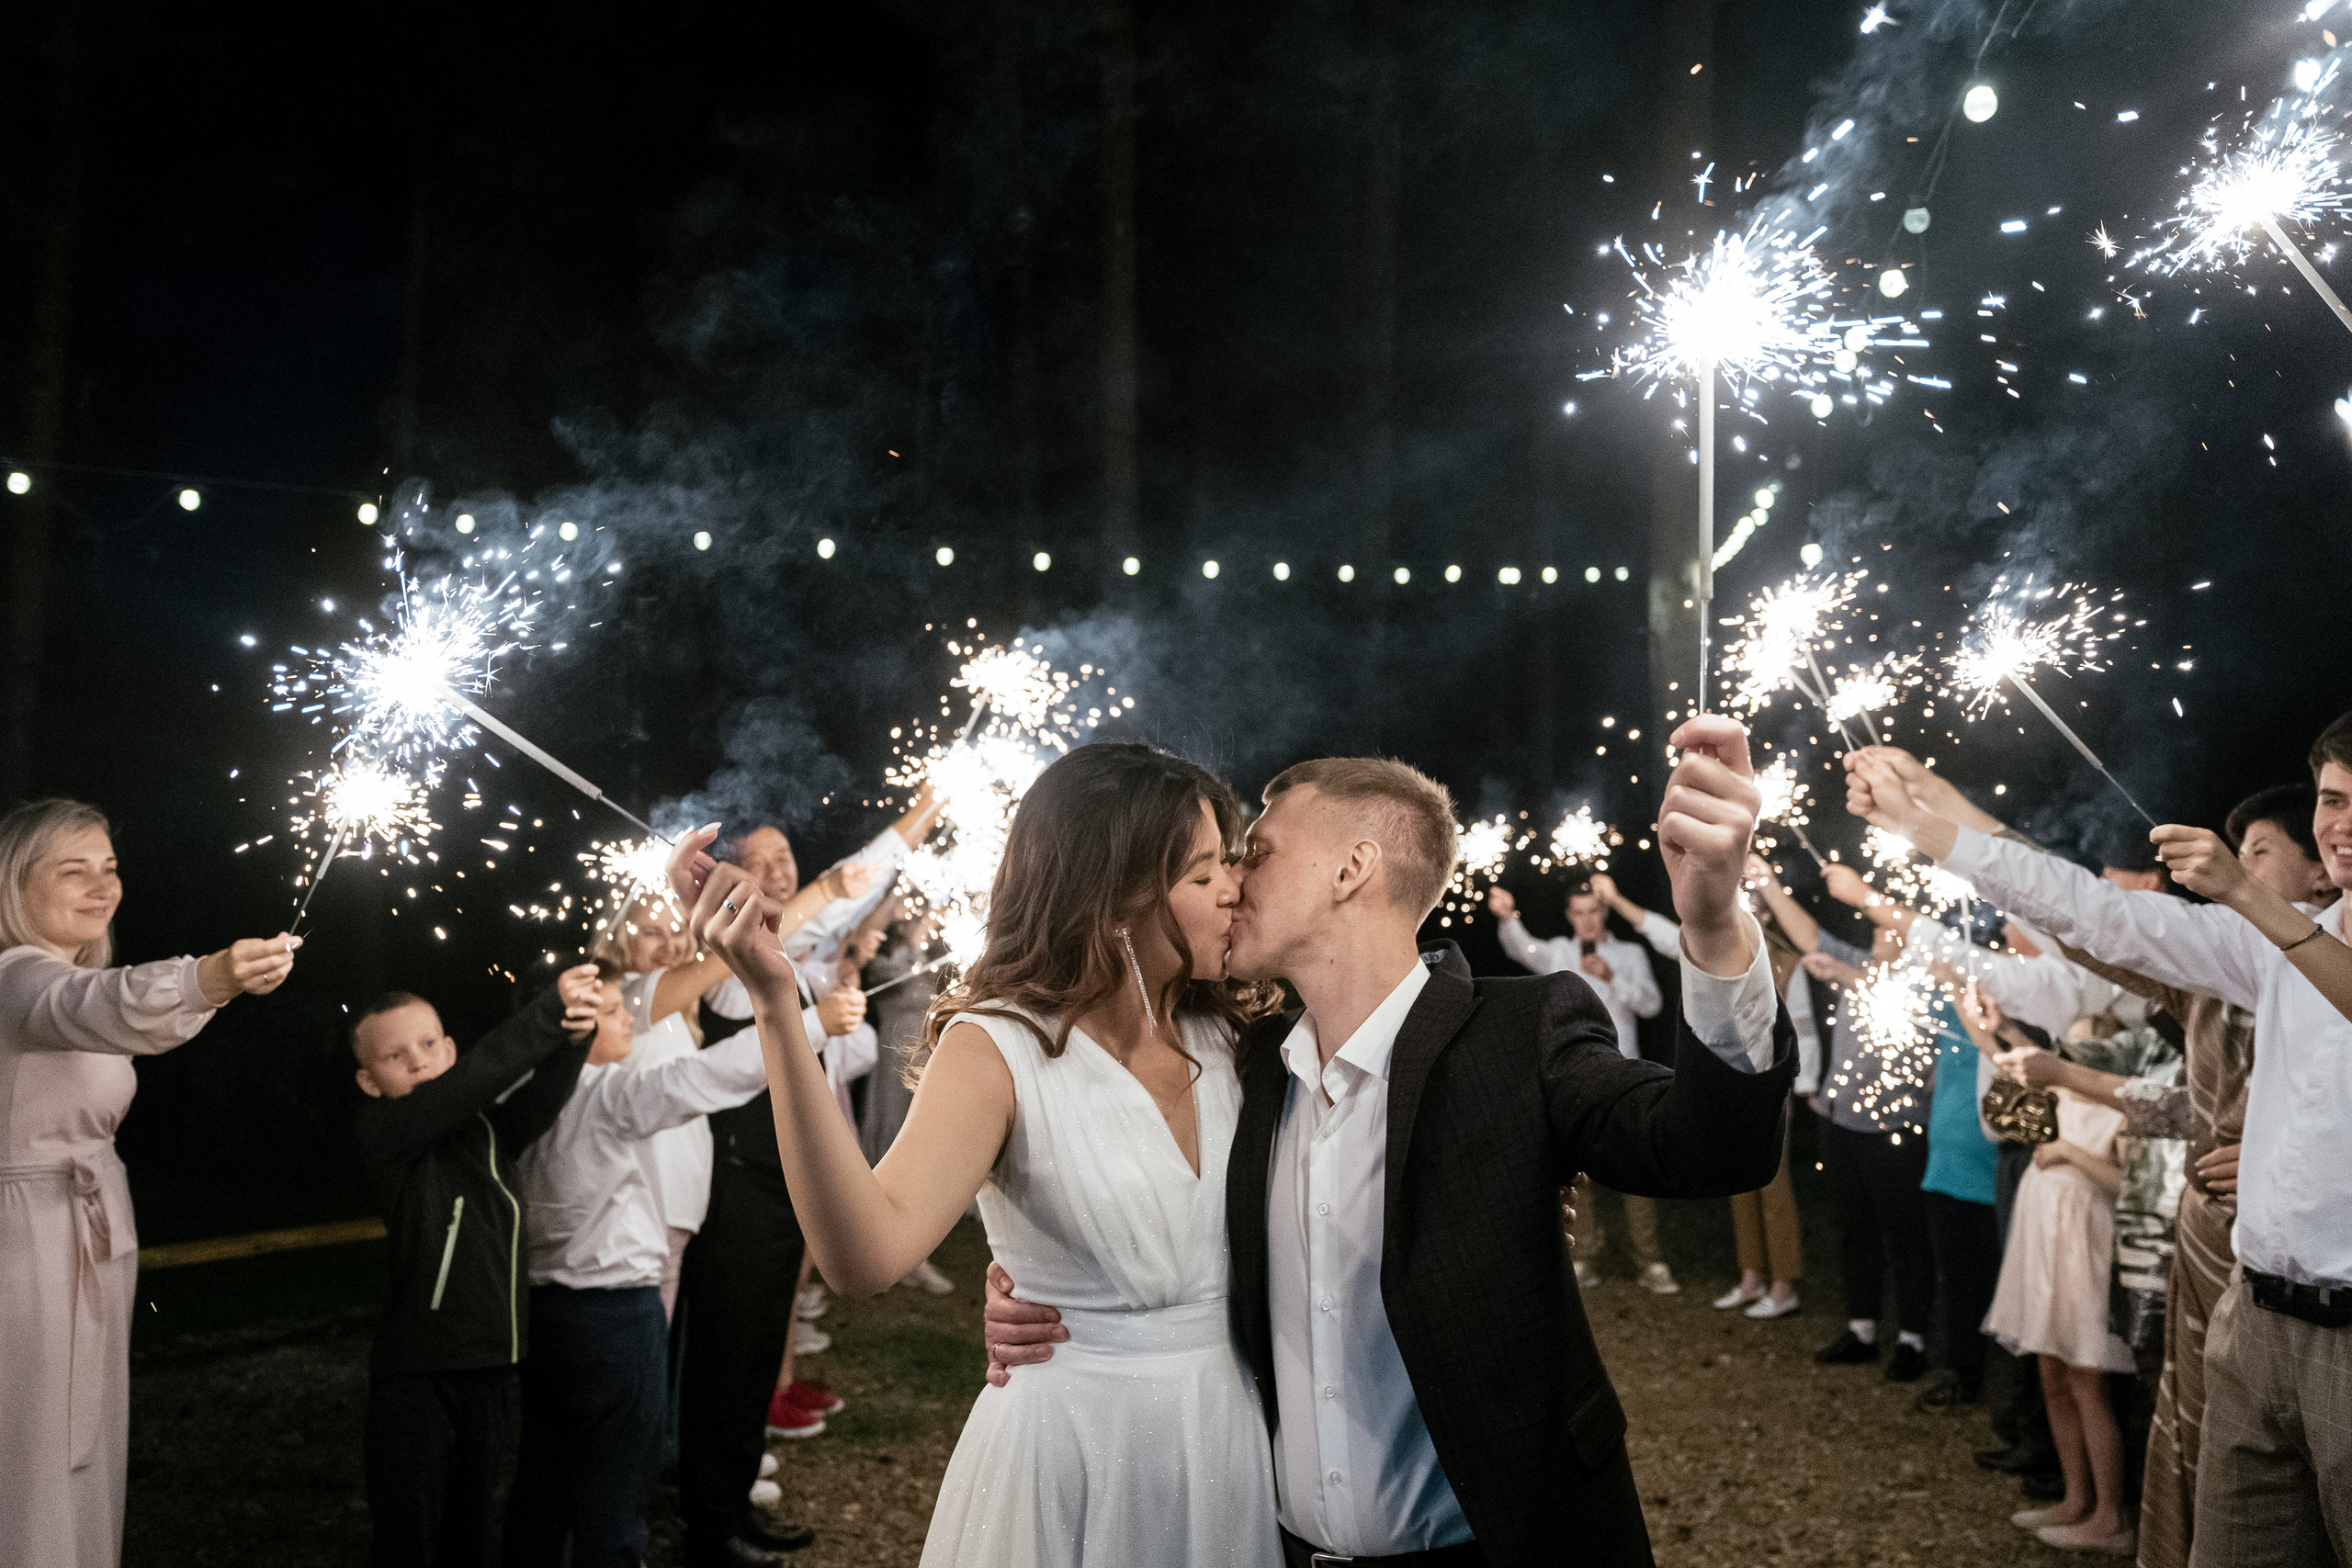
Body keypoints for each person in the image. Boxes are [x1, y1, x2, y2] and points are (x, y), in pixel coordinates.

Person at [978, 716, 1795, 1567]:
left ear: (1352, 867)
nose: (1230, 877)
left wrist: (1711, 926)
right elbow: (1144, 1214)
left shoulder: (1519, 1035)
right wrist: (1041, 1291)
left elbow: (1713, 1149)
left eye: (1256, 851)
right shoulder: (1239, 1068)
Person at [672, 743, 1286, 1566]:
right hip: (1066, 1447)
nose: (1233, 889)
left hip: (1225, 1440)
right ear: (1117, 891)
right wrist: (778, 1005)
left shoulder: (1245, 1040)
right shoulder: (999, 1047)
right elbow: (863, 1256)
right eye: (1205, 872)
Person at [1846, 715, 2352, 1567]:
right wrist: (1930, 826)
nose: (2341, 822)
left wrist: (2245, 894)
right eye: (2334, 799)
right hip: (2251, 1313)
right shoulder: (2260, 942)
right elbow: (2092, 913)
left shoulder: (2269, 926)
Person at [0, 799, 299, 1568]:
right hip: (25, 1245)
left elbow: (114, 1013)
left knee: (83, 1439)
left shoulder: (63, 978)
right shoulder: (17, 981)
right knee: (31, 1444)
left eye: (111, 868)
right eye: (76, 870)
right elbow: (96, 1006)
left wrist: (215, 986)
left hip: (87, 1227)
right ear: (13, 882)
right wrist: (214, 974)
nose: (104, 886)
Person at [679, 791, 938, 1568]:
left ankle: (729, 1501)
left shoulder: (787, 951)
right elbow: (848, 885)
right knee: (727, 1354)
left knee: (759, 1347)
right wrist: (924, 810)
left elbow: (820, 1057)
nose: (780, 869)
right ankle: (708, 1522)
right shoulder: (726, 951)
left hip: (777, 1180)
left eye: (786, 856)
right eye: (759, 859)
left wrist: (843, 1007)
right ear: (729, 878)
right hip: (739, 1182)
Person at [504, 960, 774, 1568]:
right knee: (617, 1487)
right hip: (616, 1316)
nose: (629, 1013)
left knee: (544, 1478)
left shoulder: (514, 1094)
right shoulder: (605, 1094)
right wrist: (800, 1022)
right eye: (609, 1009)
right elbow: (706, 1076)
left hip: (540, 1312)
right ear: (571, 1025)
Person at [350, 966, 600, 1568]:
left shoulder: (486, 1129)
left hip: (490, 1365)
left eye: (429, 1044)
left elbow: (542, 1093)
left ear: (450, 1049)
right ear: (369, 1081)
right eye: (395, 1054)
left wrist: (576, 1034)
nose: (416, 1060)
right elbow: (477, 1078)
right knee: (409, 1537)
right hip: (419, 1375)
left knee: (467, 1531)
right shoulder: (388, 1131)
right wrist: (545, 1012)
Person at [1589, 863, 1812, 1317]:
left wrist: (1805, 1087)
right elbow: (1666, 935)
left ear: (1765, 914)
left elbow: (1804, 1027)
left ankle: (1784, 1285)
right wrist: (1616, 902)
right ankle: (1751, 1277)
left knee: (1772, 1182)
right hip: (1727, 1080)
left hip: (1772, 1085)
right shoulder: (1716, 949)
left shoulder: (1788, 960)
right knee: (1738, 1177)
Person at [1962, 989, 2139, 1554]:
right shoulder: (2052, 1091)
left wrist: (2068, 1153)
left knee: (2086, 1382)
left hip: (2083, 1244)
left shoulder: (2125, 1107)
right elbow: (2001, 1055)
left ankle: (2111, 1516)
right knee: (2052, 1377)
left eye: (2085, 1042)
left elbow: (2129, 1187)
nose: (2067, 1052)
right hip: (2039, 1239)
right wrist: (1986, 1018)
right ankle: (2073, 1497)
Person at [1747, 869, 1936, 1382]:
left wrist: (1845, 977)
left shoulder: (1927, 981)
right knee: (1855, 1231)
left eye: (1888, 923)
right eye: (1874, 923)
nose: (1877, 929)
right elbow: (1808, 935)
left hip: (1897, 1131)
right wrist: (1765, 880)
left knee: (1905, 1235)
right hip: (1841, 1123)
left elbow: (1896, 1004)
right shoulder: (1860, 963)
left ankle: (1913, 1339)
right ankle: (1862, 1329)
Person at [1487, 879, 1678, 1293]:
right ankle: (1584, 1256)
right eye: (1579, 912)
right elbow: (1523, 949)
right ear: (1570, 916)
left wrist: (1612, 977)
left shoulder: (1630, 953)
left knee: (1636, 1168)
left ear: (1604, 912)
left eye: (1594, 910)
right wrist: (1507, 917)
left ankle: (1650, 1260)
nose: (1587, 919)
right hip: (1574, 1079)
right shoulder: (1559, 953)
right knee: (1579, 1176)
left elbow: (1653, 1004)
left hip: (1626, 1074)